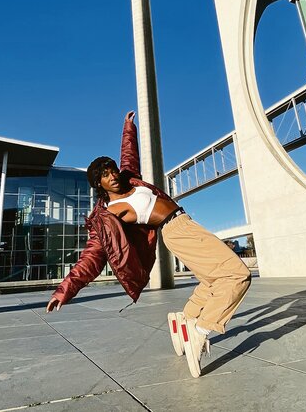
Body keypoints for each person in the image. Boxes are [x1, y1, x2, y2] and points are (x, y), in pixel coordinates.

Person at [45, 111, 251, 378]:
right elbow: (92, 257)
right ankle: (199, 332)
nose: (113, 175)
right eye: (106, 175)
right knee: (237, 275)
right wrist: (65, 290)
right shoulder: (107, 215)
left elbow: (129, 155)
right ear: (99, 184)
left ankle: (185, 319)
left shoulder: (131, 180)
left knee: (213, 280)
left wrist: (128, 128)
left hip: (184, 221)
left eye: (113, 170)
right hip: (175, 229)